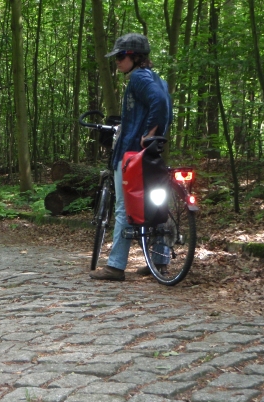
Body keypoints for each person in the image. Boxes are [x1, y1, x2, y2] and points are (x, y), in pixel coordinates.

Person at [90, 33, 173, 281]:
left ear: (135, 57)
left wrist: (148, 133)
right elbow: (163, 105)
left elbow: (158, 102)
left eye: (120, 56)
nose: (117, 61)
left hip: (131, 155)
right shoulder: (155, 78)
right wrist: (155, 135)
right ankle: (159, 260)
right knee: (155, 204)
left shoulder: (138, 78)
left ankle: (115, 266)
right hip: (150, 154)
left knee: (124, 208)